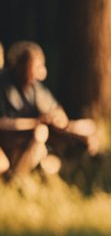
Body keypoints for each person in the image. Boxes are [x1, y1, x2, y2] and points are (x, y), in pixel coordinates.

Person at [0, 40, 100, 179]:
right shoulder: (4, 84)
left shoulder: (35, 87)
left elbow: (54, 109)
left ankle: (71, 168)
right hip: (12, 142)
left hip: (38, 136)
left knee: (85, 128)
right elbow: (3, 123)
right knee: (41, 132)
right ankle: (16, 177)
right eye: (34, 65)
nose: (39, 70)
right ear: (20, 65)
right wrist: (35, 123)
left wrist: (57, 119)